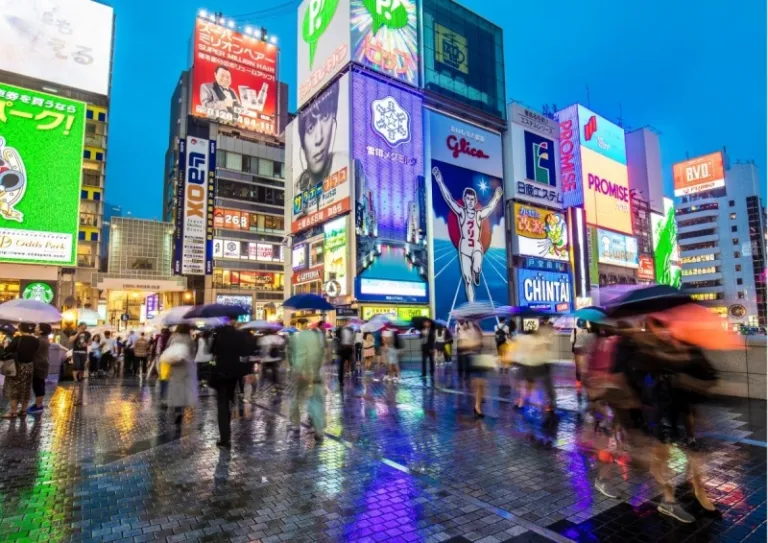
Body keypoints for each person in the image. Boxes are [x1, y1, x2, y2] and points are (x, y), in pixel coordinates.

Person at [432, 166, 503, 303]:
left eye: (472, 199)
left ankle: (477, 272)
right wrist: (439, 180)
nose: (470, 201)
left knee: (476, 267)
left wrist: (497, 196)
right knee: (467, 279)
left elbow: (489, 208)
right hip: (464, 247)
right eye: (468, 199)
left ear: (475, 201)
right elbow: (449, 199)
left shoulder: (478, 214)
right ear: (465, 199)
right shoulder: (461, 212)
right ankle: (471, 302)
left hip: (476, 246)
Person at [294, 83, 344, 210]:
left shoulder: (345, 164)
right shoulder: (297, 187)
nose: (319, 138)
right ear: (302, 144)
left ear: (334, 122)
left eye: (325, 117)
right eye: (310, 128)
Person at [210, 320, 251, 449]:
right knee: (228, 399)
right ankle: (226, 433)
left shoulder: (218, 334)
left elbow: (211, 351)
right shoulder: (239, 335)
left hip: (220, 372)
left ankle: (225, 438)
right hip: (234, 373)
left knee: (222, 404)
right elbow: (245, 353)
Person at [289, 321, 326, 441]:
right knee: (316, 400)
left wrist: (298, 370)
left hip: (301, 373)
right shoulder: (316, 337)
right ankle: (319, 430)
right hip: (314, 372)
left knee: (295, 399)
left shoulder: (296, 338)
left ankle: (296, 424)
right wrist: (315, 370)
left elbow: (295, 356)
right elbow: (320, 354)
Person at [515, 321, 556, 411]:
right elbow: (546, 348)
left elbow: (519, 351)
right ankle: (550, 403)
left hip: (530, 364)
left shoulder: (523, 338)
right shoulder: (540, 338)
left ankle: (523, 400)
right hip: (541, 363)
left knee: (523, 381)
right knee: (546, 384)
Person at [2, 322, 39, 418]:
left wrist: (6, 345)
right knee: (26, 389)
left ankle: (13, 412)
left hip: (17, 367)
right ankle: (23, 411)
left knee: (14, 389)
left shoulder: (18, 339)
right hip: (29, 366)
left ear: (21, 329)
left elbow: (8, 351)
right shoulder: (36, 340)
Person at [165, 324, 198, 427]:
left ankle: (177, 411)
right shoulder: (190, 339)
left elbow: (168, 349)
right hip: (187, 367)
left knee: (176, 390)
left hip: (176, 367)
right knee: (184, 390)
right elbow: (193, 352)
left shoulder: (174, 338)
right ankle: (181, 411)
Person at [28, 323, 51, 415]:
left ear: (41, 331)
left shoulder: (39, 340)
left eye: (37, 328)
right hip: (42, 364)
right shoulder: (44, 340)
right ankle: (38, 404)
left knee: (38, 385)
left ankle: (38, 406)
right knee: (39, 384)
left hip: (39, 365)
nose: (35, 329)